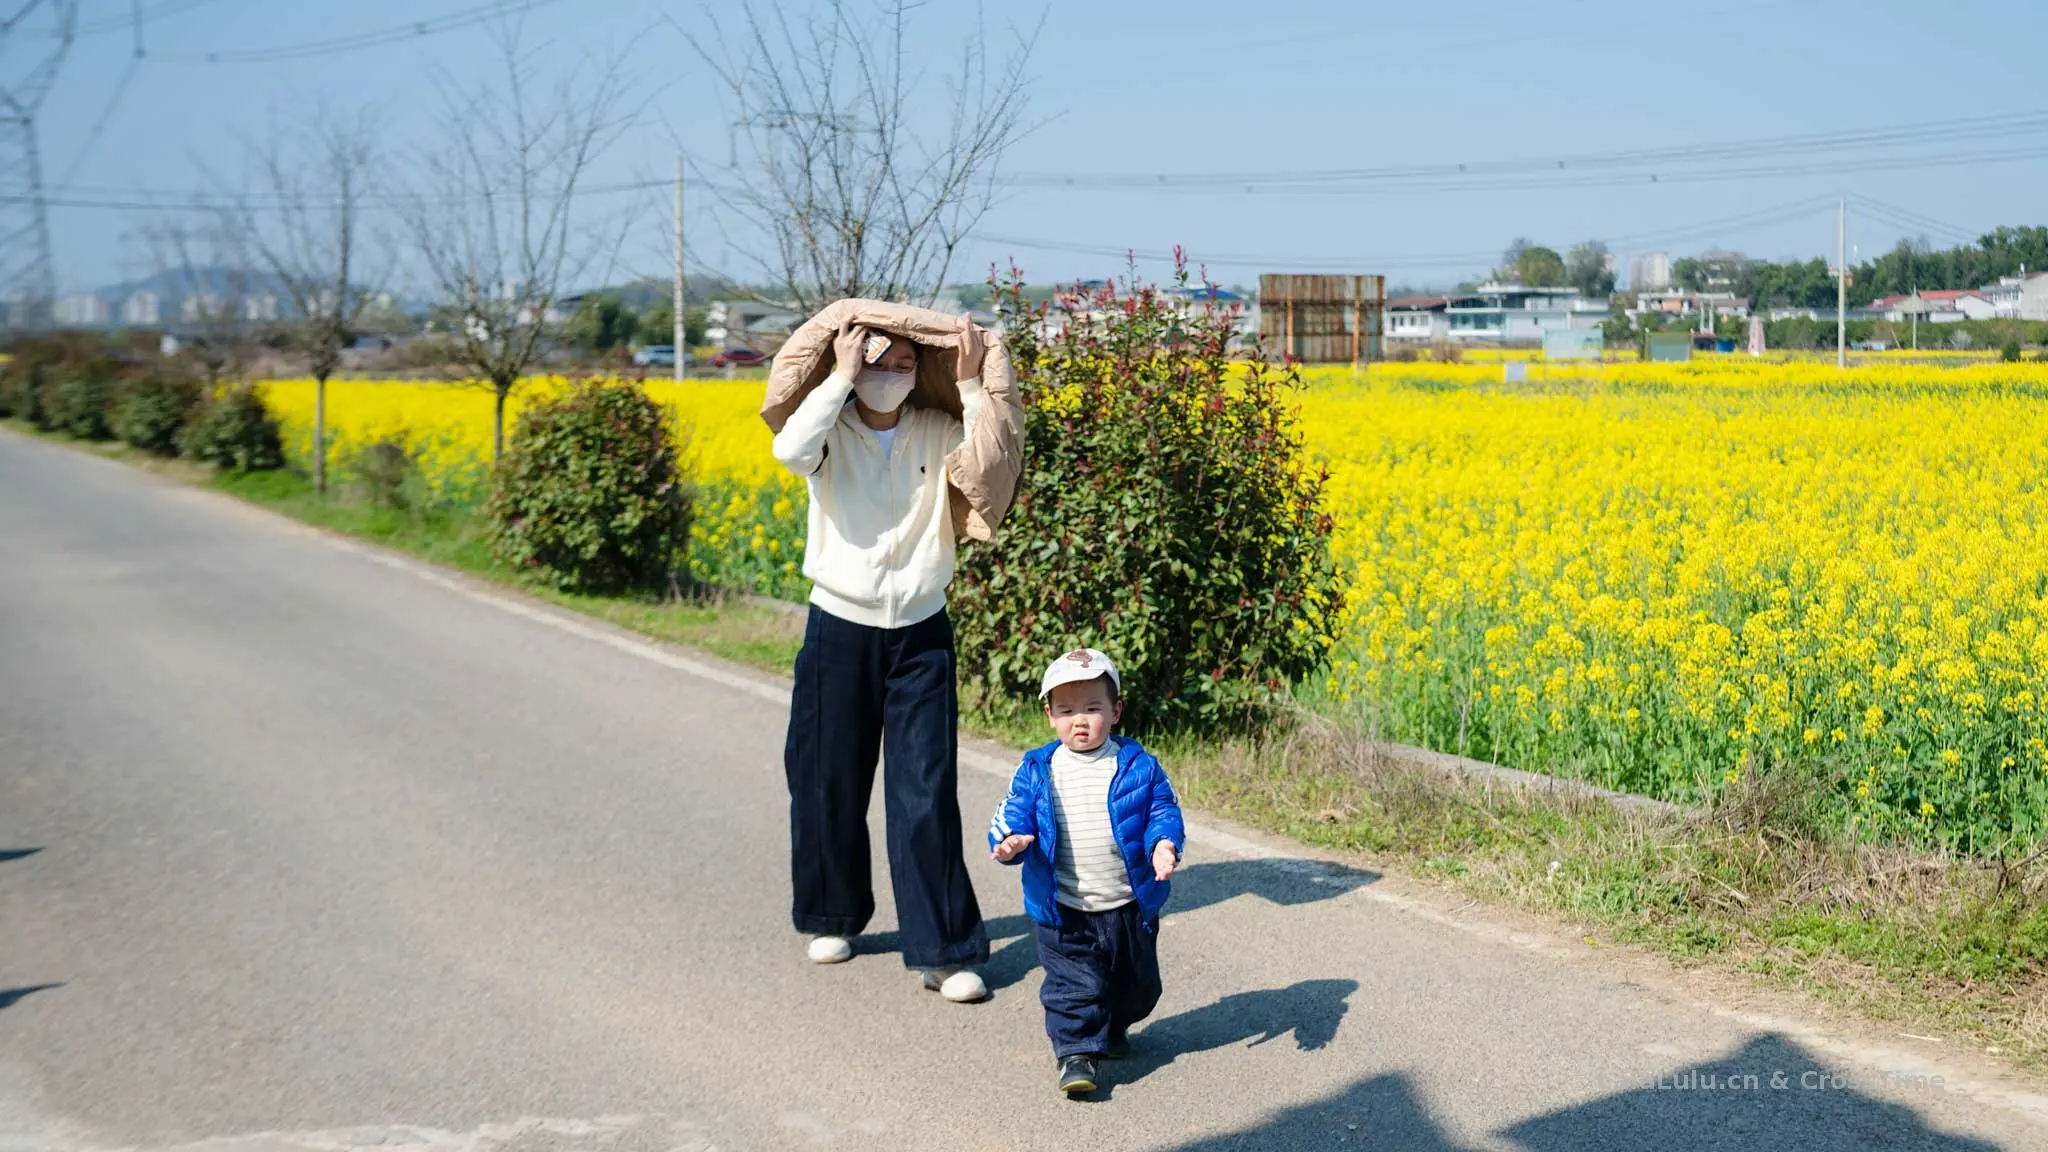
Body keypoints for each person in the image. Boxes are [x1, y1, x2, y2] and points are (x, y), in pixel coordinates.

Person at [770, 313, 993, 1003]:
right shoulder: (830, 431)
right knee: (824, 779)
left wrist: (972, 385)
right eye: (876, 359)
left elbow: (990, 460)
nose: (889, 373)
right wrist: (839, 375)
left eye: (902, 362)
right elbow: (789, 451)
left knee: (925, 791)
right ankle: (831, 915)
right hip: (838, 627)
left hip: (922, 634)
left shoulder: (935, 428)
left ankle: (944, 949)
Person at [989, 648, 1186, 1096]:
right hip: (1063, 907)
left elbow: (1163, 811)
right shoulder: (1039, 768)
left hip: (1126, 903)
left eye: (1092, 709)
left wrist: (1164, 845)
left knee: (1139, 988)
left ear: (1115, 711)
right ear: (1050, 715)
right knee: (1073, 985)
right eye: (1067, 711)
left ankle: (1113, 1024)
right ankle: (1076, 1053)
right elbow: (1012, 812)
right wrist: (1010, 841)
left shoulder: (1138, 766)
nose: (1080, 720)